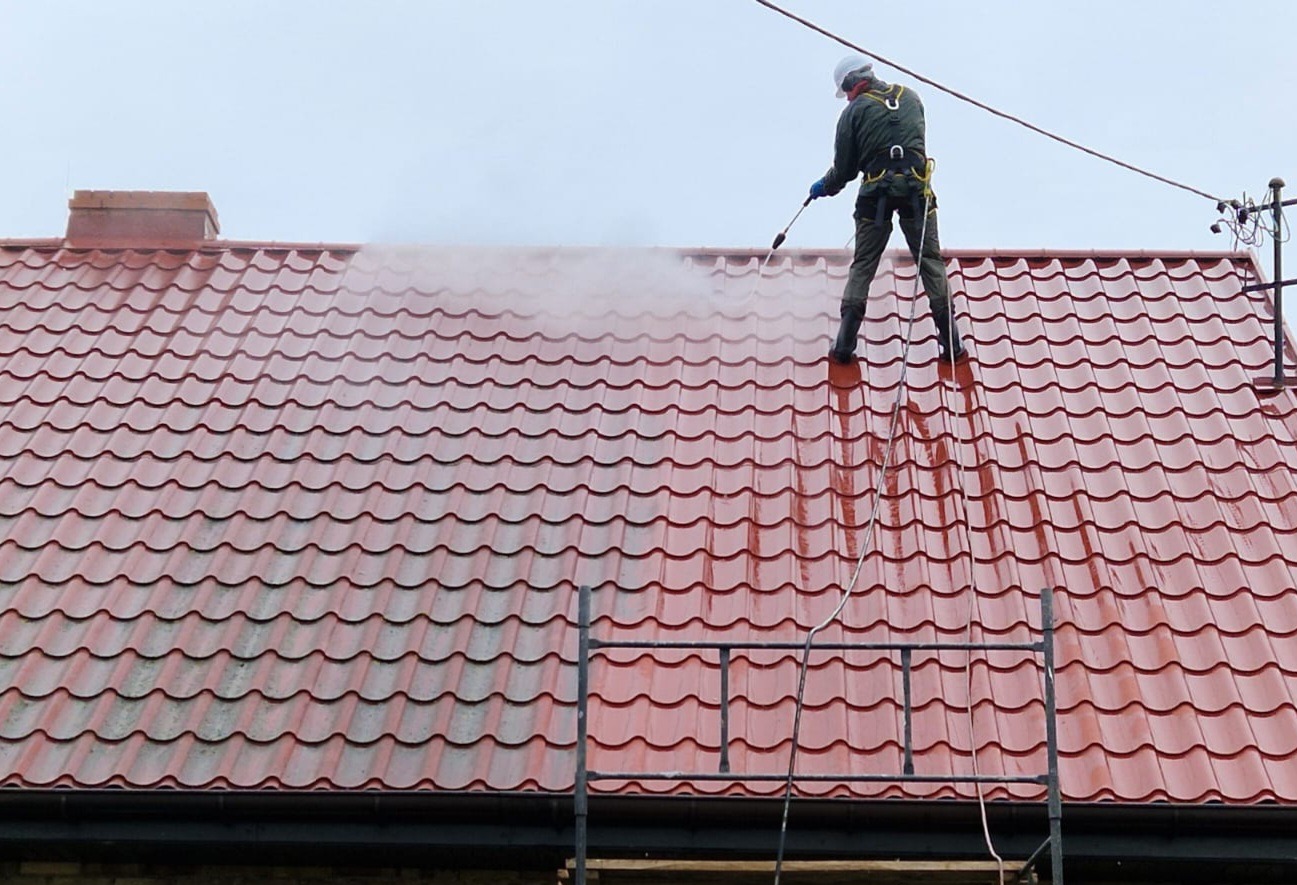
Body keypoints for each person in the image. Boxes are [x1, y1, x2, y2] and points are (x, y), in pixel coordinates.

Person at [809, 55, 968, 365]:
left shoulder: (853, 113)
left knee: (864, 263)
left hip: (876, 195)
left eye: (847, 92)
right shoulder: (910, 97)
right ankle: (952, 343)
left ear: (851, 85)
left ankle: (844, 346)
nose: (848, 98)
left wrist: (823, 187)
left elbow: (844, 172)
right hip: (917, 192)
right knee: (930, 261)